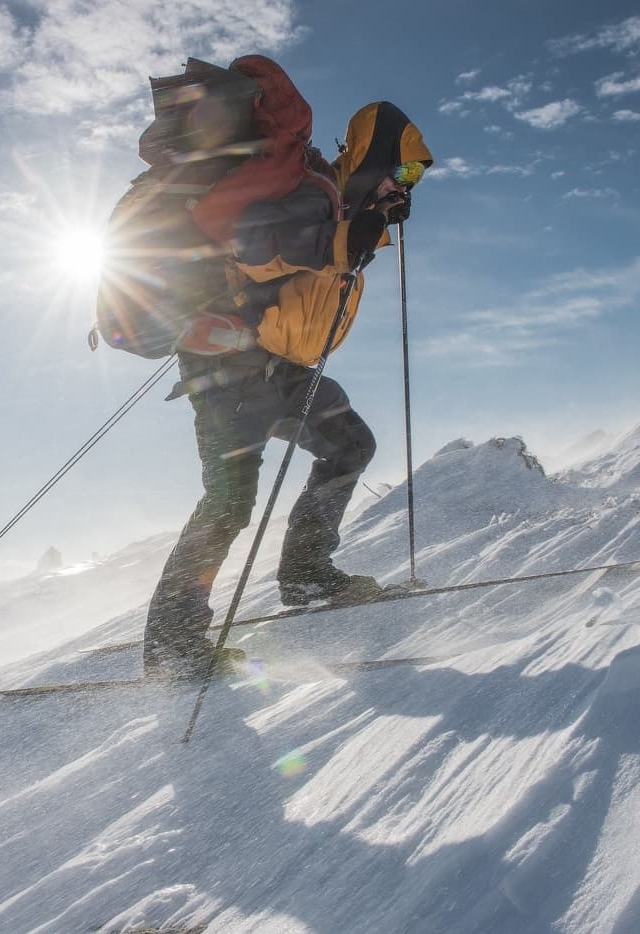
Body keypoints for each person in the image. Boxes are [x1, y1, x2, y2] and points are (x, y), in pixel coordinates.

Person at [142, 61, 434, 680]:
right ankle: (174, 644)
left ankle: (306, 577)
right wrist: (349, 237)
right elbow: (264, 245)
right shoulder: (287, 182)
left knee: (350, 444)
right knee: (229, 502)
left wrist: (373, 222)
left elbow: (333, 242)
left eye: (411, 175)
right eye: (402, 169)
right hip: (229, 369)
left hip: (282, 365)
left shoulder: (323, 189)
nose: (405, 181)